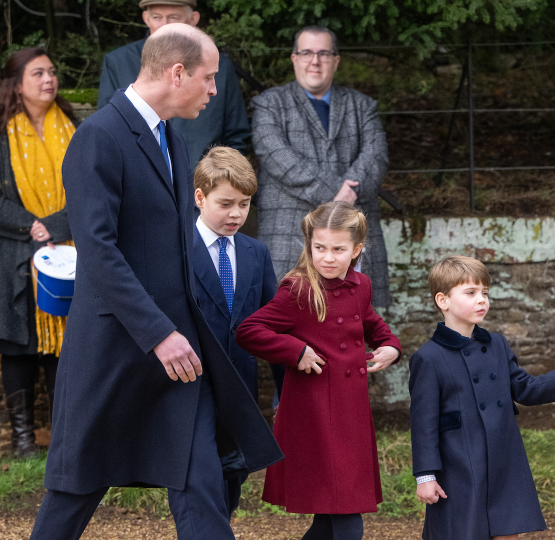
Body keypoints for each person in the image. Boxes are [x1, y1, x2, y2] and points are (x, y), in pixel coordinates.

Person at [28, 24, 281, 540]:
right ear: (177, 72)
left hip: (178, 356)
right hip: (114, 350)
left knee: (201, 481)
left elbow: (175, 248)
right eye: (209, 78)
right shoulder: (98, 137)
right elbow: (98, 252)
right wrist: (157, 334)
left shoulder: (171, 137)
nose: (215, 90)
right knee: (76, 488)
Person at [236, 201, 401, 540]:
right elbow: (249, 330)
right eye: (319, 248)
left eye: (338, 249)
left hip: (351, 412)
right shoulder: (298, 289)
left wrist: (390, 347)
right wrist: (295, 351)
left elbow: (373, 324)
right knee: (346, 518)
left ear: (356, 249)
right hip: (316, 415)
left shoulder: (361, 285)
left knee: (330, 519)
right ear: (309, 246)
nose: (327, 257)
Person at [408, 255, 555, 540]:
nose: (482, 299)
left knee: (507, 531)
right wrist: (426, 476)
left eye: (485, 293)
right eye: (470, 293)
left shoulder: (496, 344)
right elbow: (423, 424)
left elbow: (524, 388)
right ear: (443, 300)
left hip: (503, 457)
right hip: (459, 466)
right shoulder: (428, 358)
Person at [0, 47, 78, 458]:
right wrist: (30, 224)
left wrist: (56, 226)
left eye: (52, 71)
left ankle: (63, 437)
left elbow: (91, 190)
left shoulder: (76, 129)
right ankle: (23, 441)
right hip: (11, 258)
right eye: (38, 73)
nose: (49, 79)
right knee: (17, 346)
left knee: (63, 348)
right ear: (16, 84)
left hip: (66, 255)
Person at [251, 26, 391, 307]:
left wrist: (349, 191)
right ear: (294, 58)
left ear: (336, 60)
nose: (315, 61)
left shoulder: (362, 106)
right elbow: (276, 156)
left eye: (324, 53)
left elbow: (376, 157)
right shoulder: (269, 104)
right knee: (289, 333)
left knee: (355, 329)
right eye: (307, 53)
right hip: (289, 235)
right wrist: (338, 193)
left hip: (352, 238)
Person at [189, 145, 286, 516]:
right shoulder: (175, 249)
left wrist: (283, 395)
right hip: (191, 388)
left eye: (244, 204)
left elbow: (273, 327)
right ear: (200, 197)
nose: (236, 214)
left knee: (232, 482)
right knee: (198, 485)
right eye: (226, 203)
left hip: (241, 391)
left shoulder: (256, 253)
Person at [96, 0, 251, 166]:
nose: (164, 26)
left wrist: (217, 181)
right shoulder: (119, 62)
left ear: (193, 19)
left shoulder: (220, 66)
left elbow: (236, 136)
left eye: (173, 17)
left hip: (203, 184)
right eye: (157, 17)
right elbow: (108, 129)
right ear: (145, 18)